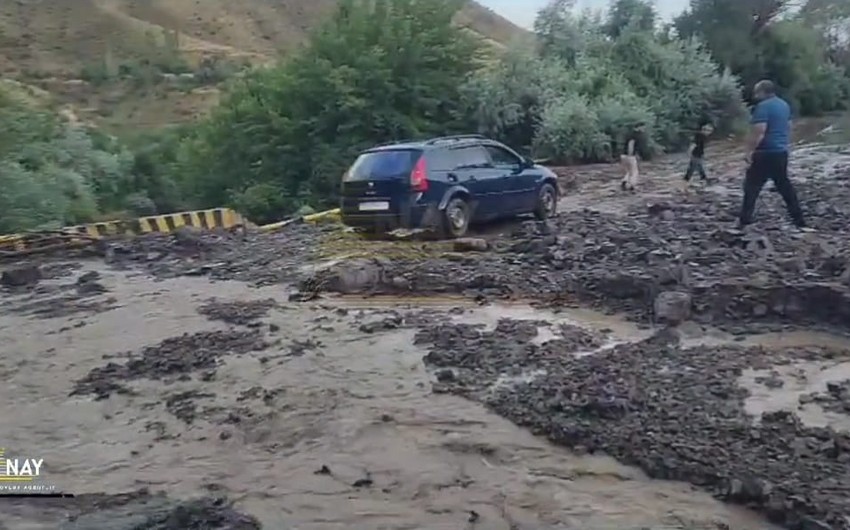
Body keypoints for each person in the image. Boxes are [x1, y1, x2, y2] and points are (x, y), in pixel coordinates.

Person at [738, 80, 808, 230]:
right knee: (784, 186)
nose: (755, 95)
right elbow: (789, 127)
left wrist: (749, 152)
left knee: (751, 186)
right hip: (781, 152)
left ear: (763, 92)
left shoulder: (763, 107)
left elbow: (759, 132)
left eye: (757, 92)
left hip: (764, 153)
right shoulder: (784, 105)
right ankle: (799, 220)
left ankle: (744, 220)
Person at [620, 122, 649, 191]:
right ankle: (632, 185)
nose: (644, 129)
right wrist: (631, 154)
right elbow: (631, 144)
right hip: (630, 155)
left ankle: (625, 181)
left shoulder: (629, 133)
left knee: (628, 171)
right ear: (638, 127)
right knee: (634, 172)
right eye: (643, 127)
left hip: (623, 155)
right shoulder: (635, 135)